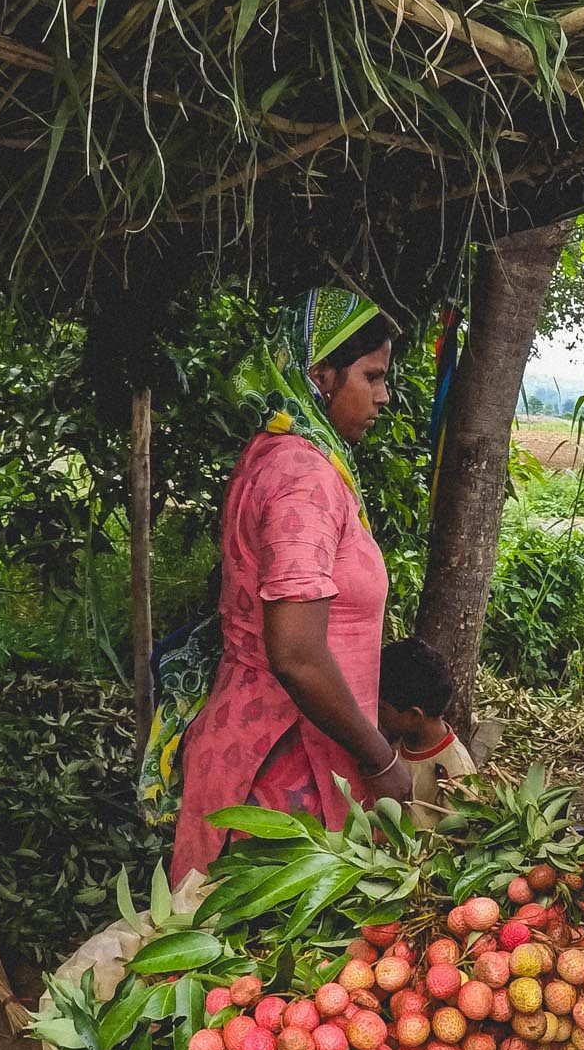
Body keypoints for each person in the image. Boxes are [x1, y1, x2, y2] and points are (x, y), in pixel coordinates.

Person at [157, 289, 410, 884]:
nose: (383, 396)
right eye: (371, 377)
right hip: (282, 761)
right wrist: (381, 760)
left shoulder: (279, 455)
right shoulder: (303, 478)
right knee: (266, 963)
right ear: (320, 375)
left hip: (264, 738)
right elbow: (296, 653)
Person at [377, 636, 477, 820]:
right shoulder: (397, 740)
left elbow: (458, 834)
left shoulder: (456, 772)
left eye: (382, 708)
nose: (377, 713)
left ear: (414, 715)